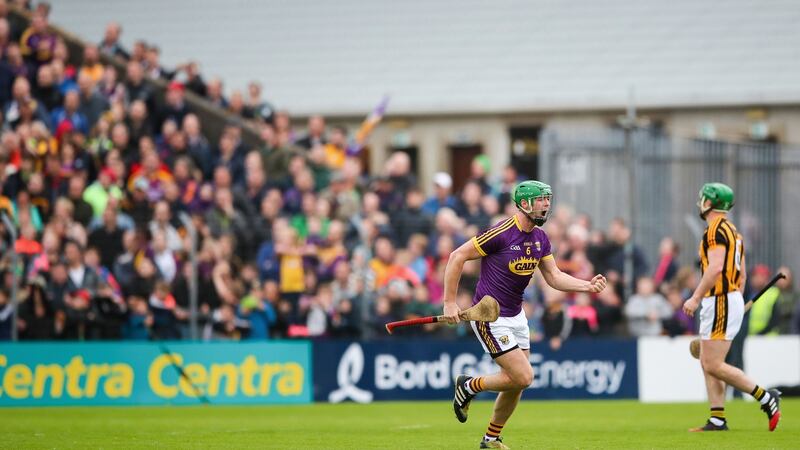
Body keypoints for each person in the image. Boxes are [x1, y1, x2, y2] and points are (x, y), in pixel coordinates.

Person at [443, 180, 607, 449]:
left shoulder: (541, 238)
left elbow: (554, 277)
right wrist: (449, 302)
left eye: (548, 199)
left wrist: (586, 285)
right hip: (490, 316)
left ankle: (491, 438)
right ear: (524, 203)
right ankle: (470, 385)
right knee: (524, 376)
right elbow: (456, 256)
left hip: (517, 316)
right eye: (541, 199)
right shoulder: (501, 233)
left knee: (516, 383)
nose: (547, 205)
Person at [682, 182, 781, 432]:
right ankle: (717, 418)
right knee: (707, 361)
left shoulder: (715, 230)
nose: (699, 202)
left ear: (709, 203)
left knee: (714, 364)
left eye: (702, 198)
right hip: (726, 298)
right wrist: (732, 299)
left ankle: (766, 397)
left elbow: (715, 268)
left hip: (720, 299)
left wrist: (696, 297)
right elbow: (744, 275)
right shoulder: (734, 232)